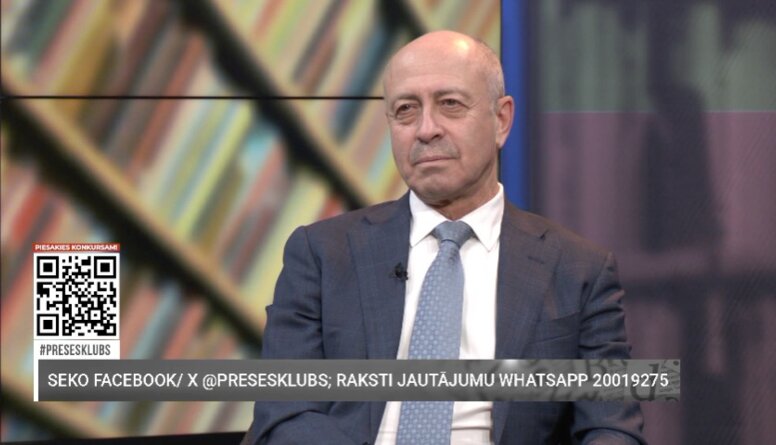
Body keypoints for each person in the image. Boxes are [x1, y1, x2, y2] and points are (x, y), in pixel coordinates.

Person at [243, 30, 645, 445]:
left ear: (501, 120)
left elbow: (612, 427)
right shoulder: (321, 253)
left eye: (450, 104)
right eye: (405, 110)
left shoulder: (579, 270)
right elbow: (285, 410)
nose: (426, 129)